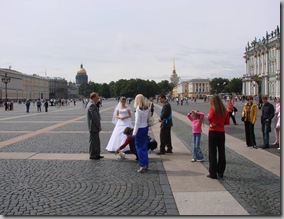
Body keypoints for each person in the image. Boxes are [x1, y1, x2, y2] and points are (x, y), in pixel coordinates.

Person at [207, 95, 230, 179]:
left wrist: (212, 122)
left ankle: (213, 173)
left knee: (212, 152)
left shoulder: (213, 109)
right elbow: (227, 121)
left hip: (213, 131)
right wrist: (221, 123)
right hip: (221, 132)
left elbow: (209, 117)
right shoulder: (224, 110)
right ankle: (221, 171)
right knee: (221, 152)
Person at [132, 94, 150, 173]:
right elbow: (148, 117)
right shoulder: (147, 108)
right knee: (144, 147)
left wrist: (134, 132)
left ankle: (142, 165)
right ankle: (145, 164)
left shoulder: (138, 109)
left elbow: (137, 123)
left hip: (139, 129)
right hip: (145, 128)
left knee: (139, 148)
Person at [86, 92, 104, 160]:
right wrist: (99, 125)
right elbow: (95, 117)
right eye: (97, 97)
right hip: (93, 126)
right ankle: (92, 154)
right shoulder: (92, 105)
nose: (98, 99)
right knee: (93, 141)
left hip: (94, 126)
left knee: (96, 141)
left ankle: (97, 153)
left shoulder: (92, 104)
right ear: (93, 98)